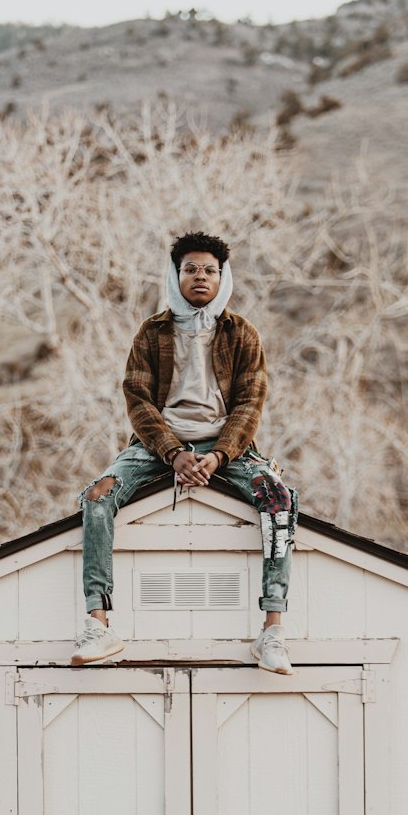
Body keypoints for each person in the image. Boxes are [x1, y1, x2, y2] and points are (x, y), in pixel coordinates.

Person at [71, 230, 298, 672]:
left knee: (280, 499)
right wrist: (174, 452)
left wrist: (218, 456)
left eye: (209, 270)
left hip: (225, 446)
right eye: (190, 269)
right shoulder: (152, 332)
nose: (200, 277)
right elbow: (137, 398)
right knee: (97, 496)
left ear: (222, 277)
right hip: (157, 446)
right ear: (176, 276)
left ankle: (272, 630)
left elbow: (250, 403)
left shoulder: (243, 334)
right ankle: (99, 625)